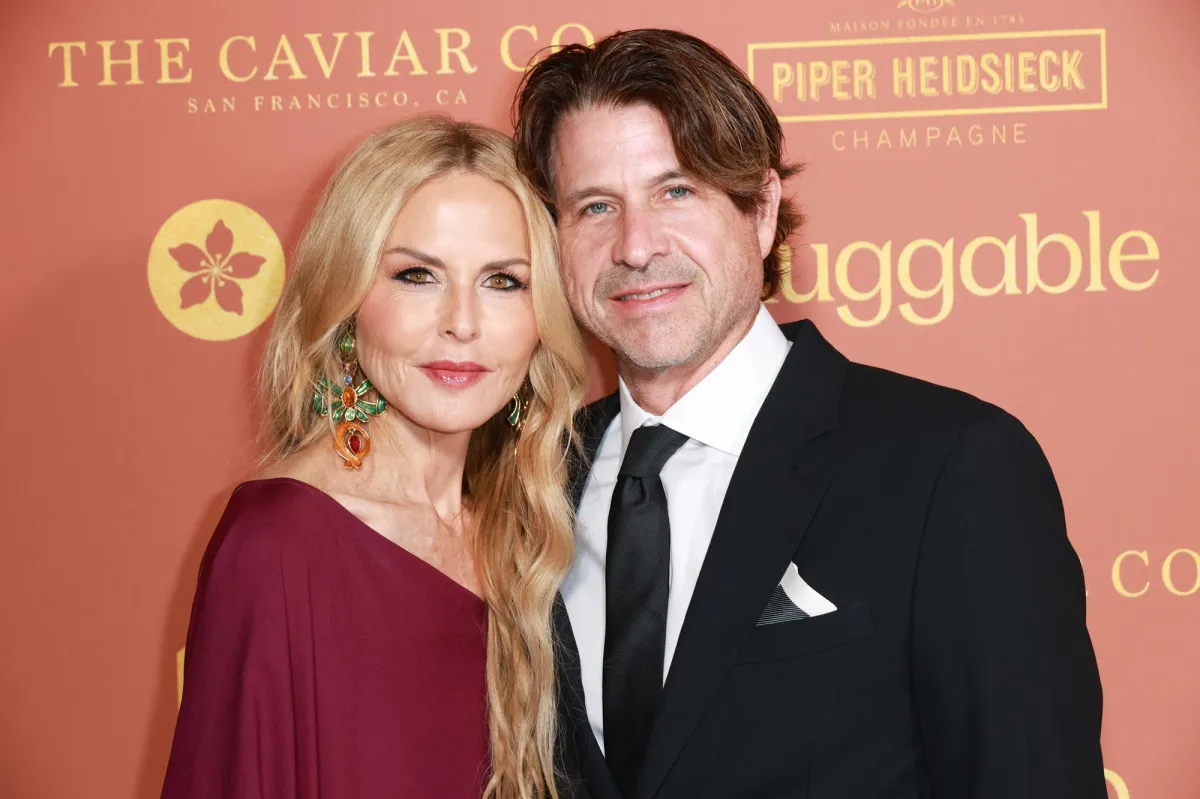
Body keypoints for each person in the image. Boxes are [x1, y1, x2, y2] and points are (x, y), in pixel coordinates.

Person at [514, 29, 1106, 799]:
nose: (634, 246)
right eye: (596, 206)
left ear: (761, 211)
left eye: (676, 191)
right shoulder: (528, 482)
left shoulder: (952, 466)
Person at [161, 116, 587, 799]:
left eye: (504, 281)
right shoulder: (280, 543)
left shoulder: (531, 532)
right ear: (347, 300)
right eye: (417, 275)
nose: (462, 323)